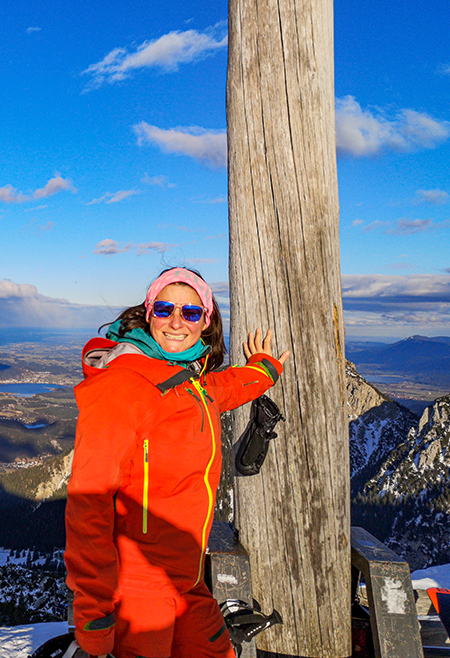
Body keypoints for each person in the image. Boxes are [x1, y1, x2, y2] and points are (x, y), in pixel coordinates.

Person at [64, 267, 291, 658]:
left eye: (190, 312)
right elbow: (89, 503)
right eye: (165, 308)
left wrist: (265, 369)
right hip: (139, 589)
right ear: (147, 313)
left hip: (186, 580)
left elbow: (225, 388)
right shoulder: (123, 385)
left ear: (206, 322)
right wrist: (93, 613)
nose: (175, 321)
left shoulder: (191, 383)